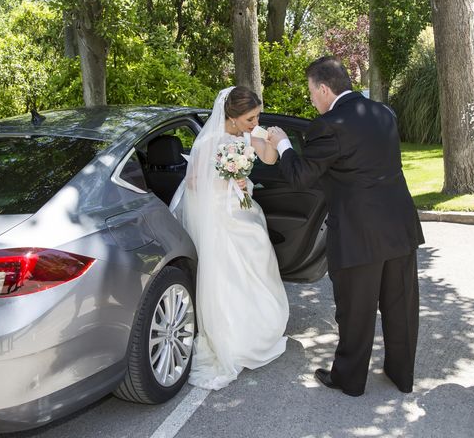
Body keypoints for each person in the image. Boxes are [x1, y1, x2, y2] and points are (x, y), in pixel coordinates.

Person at [268, 56, 424, 397]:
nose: (311, 100)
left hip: (359, 233)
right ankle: (402, 375)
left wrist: (282, 144)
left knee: (356, 310)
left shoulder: (329, 124)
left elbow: (300, 177)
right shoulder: (384, 113)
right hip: (399, 225)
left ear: (324, 89)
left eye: (311, 92)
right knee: (401, 306)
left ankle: (350, 380)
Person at [169, 86, 289, 390]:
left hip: (243, 208)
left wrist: (273, 140)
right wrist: (228, 177)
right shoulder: (209, 141)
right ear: (232, 117)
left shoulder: (248, 134)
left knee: (258, 262)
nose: (255, 121)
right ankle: (233, 338)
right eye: (250, 117)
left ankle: (260, 327)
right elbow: (194, 183)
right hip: (220, 214)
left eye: (257, 116)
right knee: (228, 273)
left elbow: (269, 159)